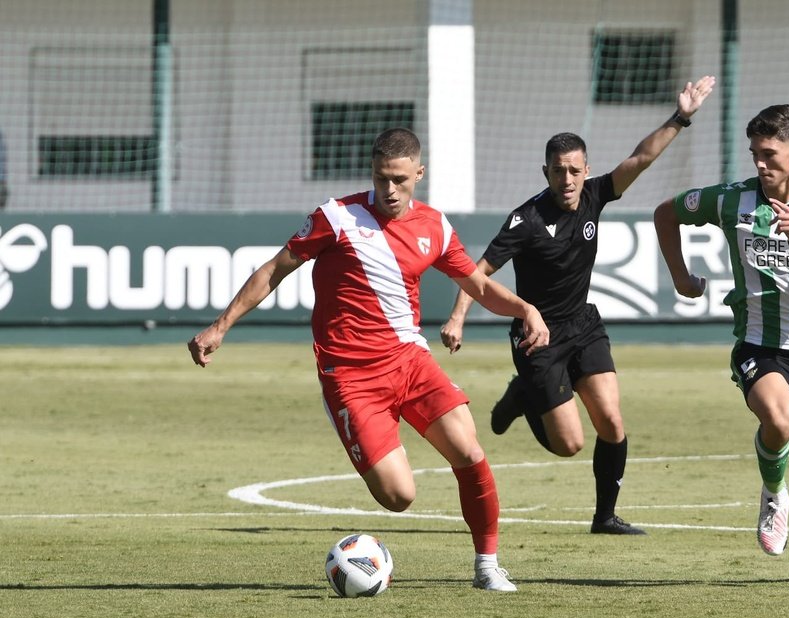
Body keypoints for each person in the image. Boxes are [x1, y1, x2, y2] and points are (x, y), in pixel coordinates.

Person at [188, 128, 549, 592]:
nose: (390, 190)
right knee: (399, 497)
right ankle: (360, 441)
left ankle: (487, 566)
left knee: (470, 449)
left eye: (399, 179)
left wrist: (525, 309)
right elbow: (275, 269)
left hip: (409, 360)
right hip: (351, 377)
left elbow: (478, 286)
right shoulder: (336, 218)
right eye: (382, 179)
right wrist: (221, 325)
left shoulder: (435, 227)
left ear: (419, 173)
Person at [440, 75, 716, 536]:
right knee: (569, 444)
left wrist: (681, 117)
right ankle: (523, 394)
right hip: (537, 337)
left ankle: (604, 516)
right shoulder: (525, 220)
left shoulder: (595, 195)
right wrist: (456, 319)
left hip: (583, 324)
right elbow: (476, 272)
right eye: (557, 171)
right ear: (544, 172)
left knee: (611, 418)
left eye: (574, 170)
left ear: (586, 170)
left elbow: (642, 158)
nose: (566, 179)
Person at [652, 104, 789, 583]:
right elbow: (666, 213)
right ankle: (775, 494)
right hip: (758, 345)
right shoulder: (732, 200)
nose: (760, 163)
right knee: (779, 416)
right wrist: (681, 278)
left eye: (769, 154)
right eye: (754, 153)